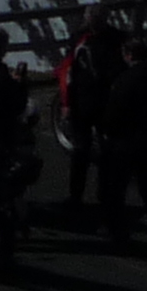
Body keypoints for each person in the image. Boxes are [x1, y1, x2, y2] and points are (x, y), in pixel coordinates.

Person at [100, 34, 147, 251]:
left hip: (125, 142)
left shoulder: (125, 80)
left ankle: (118, 234)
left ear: (129, 55)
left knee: (116, 189)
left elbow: (114, 113)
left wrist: (108, 131)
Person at [58, 12, 124, 207]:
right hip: (90, 101)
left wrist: (67, 102)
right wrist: (67, 102)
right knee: (89, 150)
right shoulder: (87, 38)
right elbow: (68, 71)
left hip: (95, 101)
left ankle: (91, 195)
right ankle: (90, 195)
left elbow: (68, 72)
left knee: (95, 151)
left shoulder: (94, 38)